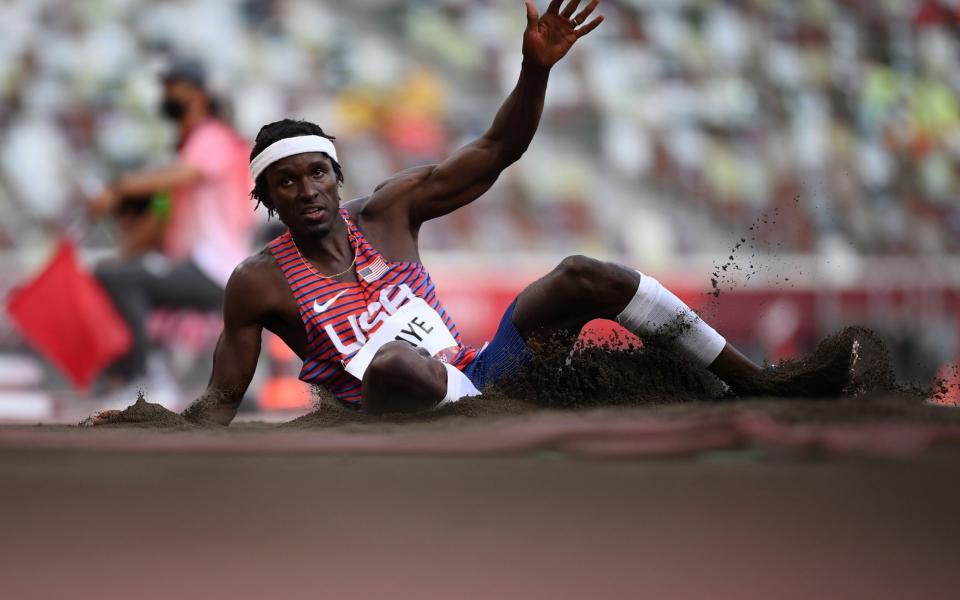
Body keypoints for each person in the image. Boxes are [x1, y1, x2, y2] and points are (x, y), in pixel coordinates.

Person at [103, 0, 852, 426]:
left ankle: (755, 381)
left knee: (583, 273)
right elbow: (221, 399)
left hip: (480, 377)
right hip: (390, 409)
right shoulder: (257, 282)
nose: (307, 192)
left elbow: (498, 149)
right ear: (265, 200)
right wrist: (144, 427)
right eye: (287, 185)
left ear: (337, 175)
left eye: (317, 174)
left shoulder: (392, 212)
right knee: (396, 360)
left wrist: (534, 70)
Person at [88, 59, 255, 389]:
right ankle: (143, 373)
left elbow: (182, 176)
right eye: (166, 88)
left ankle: (142, 377)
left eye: (176, 87)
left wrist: (120, 188)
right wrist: (123, 254)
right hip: (194, 268)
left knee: (120, 279)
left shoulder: (212, 136)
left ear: (201, 96)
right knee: (115, 275)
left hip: (216, 269)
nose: (168, 95)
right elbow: (163, 212)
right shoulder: (189, 152)